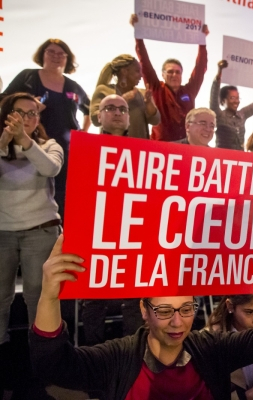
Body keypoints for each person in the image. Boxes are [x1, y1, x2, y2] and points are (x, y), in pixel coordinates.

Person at [29, 235, 253, 399]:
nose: (178, 322)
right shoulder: (117, 359)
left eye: (186, 309)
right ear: (144, 310)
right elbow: (54, 366)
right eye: (165, 311)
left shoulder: (212, 350)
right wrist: (49, 298)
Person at [1, 39, 91, 220]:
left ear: (68, 59)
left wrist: (84, 131)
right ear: (42, 55)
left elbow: (90, 109)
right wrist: (29, 104)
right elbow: (4, 100)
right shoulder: (28, 76)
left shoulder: (73, 86)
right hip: (30, 146)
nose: (56, 57)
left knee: (63, 195)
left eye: (61, 54)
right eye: (51, 52)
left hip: (65, 151)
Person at [0, 93, 63, 345]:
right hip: (3, 232)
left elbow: (51, 168)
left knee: (38, 296)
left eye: (33, 113)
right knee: (0, 296)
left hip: (41, 231)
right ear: (7, 114)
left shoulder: (49, 145)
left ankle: (40, 354)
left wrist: (24, 140)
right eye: (20, 112)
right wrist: (4, 142)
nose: (27, 118)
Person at [82, 94, 144, 345]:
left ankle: (130, 356)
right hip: (96, 230)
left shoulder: (144, 151)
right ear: (99, 116)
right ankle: (94, 357)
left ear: (129, 116)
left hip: (133, 231)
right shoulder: (85, 147)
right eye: (110, 108)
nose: (117, 113)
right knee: (94, 298)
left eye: (122, 109)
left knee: (133, 297)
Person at [131, 14, 209, 141]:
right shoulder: (157, 88)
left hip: (185, 145)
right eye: (170, 72)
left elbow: (200, 69)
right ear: (163, 75)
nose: (174, 75)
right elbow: (144, 62)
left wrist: (202, 43)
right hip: (160, 146)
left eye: (178, 72)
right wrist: (138, 36)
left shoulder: (189, 91)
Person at [91, 54, 160, 139]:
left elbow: (156, 121)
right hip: (110, 147)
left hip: (137, 149)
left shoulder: (143, 94)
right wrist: (121, 101)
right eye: (137, 71)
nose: (141, 75)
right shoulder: (103, 90)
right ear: (124, 71)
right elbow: (95, 119)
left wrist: (149, 105)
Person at [211, 60, 253, 150]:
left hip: (239, 159)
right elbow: (214, 97)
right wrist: (219, 73)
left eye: (238, 98)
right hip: (221, 158)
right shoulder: (219, 115)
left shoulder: (242, 114)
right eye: (232, 98)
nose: (236, 101)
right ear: (223, 101)